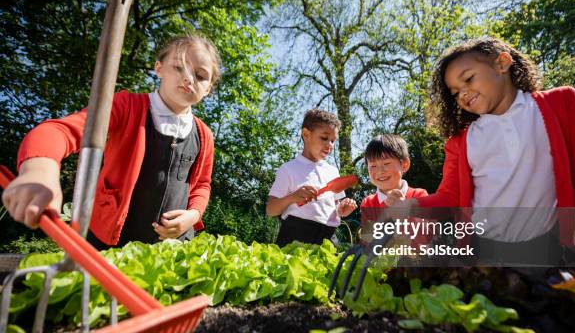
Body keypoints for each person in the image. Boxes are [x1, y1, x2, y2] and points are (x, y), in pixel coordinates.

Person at [391, 37, 575, 266]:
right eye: (455, 92)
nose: (463, 94)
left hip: (547, 249)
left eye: (468, 78)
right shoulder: (461, 141)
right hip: (482, 252)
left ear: (502, 63)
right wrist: (411, 206)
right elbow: (451, 198)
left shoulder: (565, 104)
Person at [2, 34, 221, 250]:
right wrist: (39, 171)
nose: (188, 79)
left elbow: (201, 184)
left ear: (209, 88)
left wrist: (192, 216)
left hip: (172, 247)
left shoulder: (204, 135)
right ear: (159, 68)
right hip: (110, 242)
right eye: (179, 67)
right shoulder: (126, 106)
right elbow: (57, 131)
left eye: (200, 76)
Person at [266, 109, 357, 246]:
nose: (330, 145)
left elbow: (335, 208)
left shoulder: (332, 171)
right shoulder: (288, 169)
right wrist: (292, 197)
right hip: (295, 235)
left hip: (329, 237)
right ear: (306, 134)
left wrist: (341, 210)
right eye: (324, 138)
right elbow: (271, 210)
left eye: (333, 141)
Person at [360, 134, 429, 248]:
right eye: (373, 166)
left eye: (386, 164)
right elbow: (368, 243)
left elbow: (424, 237)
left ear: (405, 165)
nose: (380, 171)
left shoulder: (419, 195)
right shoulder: (368, 203)